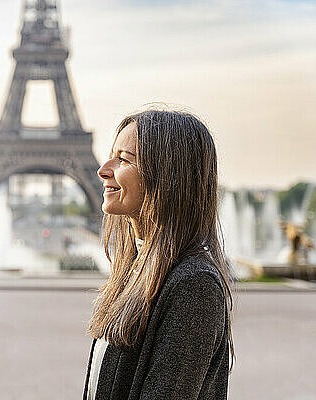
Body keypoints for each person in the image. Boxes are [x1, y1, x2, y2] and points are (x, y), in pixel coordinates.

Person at [84, 109, 234, 399]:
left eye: (124, 159)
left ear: (167, 175)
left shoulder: (194, 286)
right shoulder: (137, 271)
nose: (103, 169)